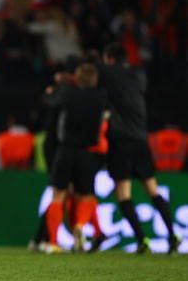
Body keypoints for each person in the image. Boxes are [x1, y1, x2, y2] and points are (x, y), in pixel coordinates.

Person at [99, 42, 180, 254]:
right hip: (140, 139)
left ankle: (141, 239)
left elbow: (91, 71)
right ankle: (173, 235)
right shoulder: (137, 76)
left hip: (121, 140)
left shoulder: (108, 73)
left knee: (124, 194)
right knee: (152, 188)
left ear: (109, 58)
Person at [43, 63, 108, 253]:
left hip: (66, 150)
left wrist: (55, 87)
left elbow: (49, 100)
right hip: (88, 152)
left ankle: (53, 243)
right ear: (94, 79)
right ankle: (80, 225)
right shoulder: (101, 97)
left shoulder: (68, 93)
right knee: (86, 195)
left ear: (77, 79)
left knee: (58, 195)